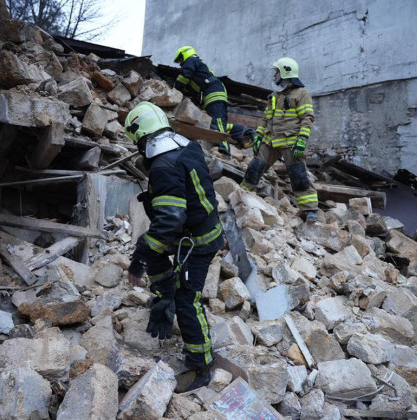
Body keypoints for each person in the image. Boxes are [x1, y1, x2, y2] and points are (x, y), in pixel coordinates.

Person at [124, 101, 224, 393]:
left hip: (197, 242)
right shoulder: (187, 145)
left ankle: (201, 366)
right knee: (150, 252)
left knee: (187, 299)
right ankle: (165, 294)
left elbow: (170, 219)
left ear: (141, 136)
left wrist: (141, 256)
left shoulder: (163, 165)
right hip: (198, 229)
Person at [241, 57, 319, 222]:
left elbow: (307, 118)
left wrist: (302, 140)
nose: (274, 75)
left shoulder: (302, 94)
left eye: (276, 71)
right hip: (270, 141)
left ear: (286, 72)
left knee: (298, 175)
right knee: (255, 166)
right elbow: (266, 119)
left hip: (291, 141)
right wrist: (258, 136)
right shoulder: (274, 96)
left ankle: (310, 210)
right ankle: (243, 196)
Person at [173, 46, 255, 157]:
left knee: (217, 123)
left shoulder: (191, 60)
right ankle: (244, 132)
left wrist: (175, 91)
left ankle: (224, 150)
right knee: (216, 123)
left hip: (213, 92)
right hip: (213, 92)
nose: (181, 65)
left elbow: (184, 76)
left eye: (180, 61)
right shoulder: (198, 69)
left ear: (184, 55)